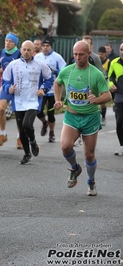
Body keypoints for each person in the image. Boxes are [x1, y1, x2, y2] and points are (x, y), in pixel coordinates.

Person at [53, 40, 111, 196]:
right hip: (72, 116)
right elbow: (57, 83)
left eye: (81, 55)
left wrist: (96, 100)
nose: (78, 58)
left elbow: (108, 95)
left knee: (89, 154)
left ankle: (91, 181)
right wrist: (57, 100)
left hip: (90, 117)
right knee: (65, 146)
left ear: (88, 54)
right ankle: (75, 168)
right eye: (75, 54)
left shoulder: (96, 74)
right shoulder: (67, 71)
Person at [2, 40, 53, 164]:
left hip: (33, 101)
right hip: (18, 101)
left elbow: (50, 78)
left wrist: (43, 89)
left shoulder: (40, 65)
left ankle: (33, 142)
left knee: (26, 124)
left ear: (33, 52)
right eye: (24, 49)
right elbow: (4, 80)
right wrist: (8, 88)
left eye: (29, 50)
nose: (26, 52)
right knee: (21, 130)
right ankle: (27, 153)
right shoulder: (13, 65)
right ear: (20, 50)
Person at [34, 35, 66, 143]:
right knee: (38, 111)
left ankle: (51, 133)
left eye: (48, 46)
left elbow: (64, 71)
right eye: (43, 46)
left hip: (53, 90)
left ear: (51, 46)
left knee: (51, 114)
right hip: (41, 90)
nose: (45, 47)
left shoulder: (57, 57)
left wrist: (56, 72)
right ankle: (44, 122)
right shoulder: (37, 57)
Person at [0, 32, 23, 149]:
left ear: (15, 43)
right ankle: (3, 134)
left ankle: (20, 137)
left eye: (10, 41)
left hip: (17, 86)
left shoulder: (19, 53)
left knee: (18, 113)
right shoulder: (0, 53)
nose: (7, 43)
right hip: (5, 84)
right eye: (6, 40)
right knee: (1, 109)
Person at [107, 42, 123, 156]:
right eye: (121, 49)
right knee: (119, 121)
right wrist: (111, 84)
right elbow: (110, 77)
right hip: (119, 95)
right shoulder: (114, 62)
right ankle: (122, 146)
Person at [98, 46, 111, 126]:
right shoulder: (97, 60)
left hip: (105, 82)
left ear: (105, 54)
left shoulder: (108, 62)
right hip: (97, 82)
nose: (100, 55)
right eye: (99, 53)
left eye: (102, 54)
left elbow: (110, 74)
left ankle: (103, 117)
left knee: (102, 102)